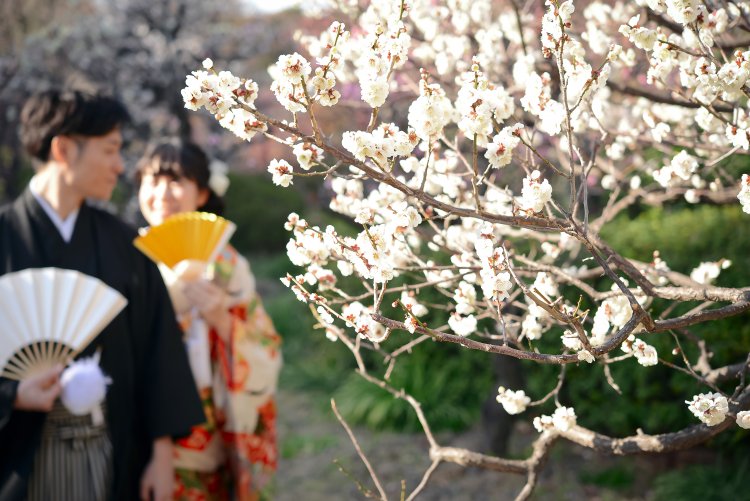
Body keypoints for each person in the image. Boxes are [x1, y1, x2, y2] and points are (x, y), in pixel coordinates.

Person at [0, 90, 205, 501]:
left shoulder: (126, 246)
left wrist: (161, 454)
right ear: (63, 149)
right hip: (17, 460)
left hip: (110, 452)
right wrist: (12, 394)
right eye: (110, 150)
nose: (119, 166)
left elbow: (157, 351)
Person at [136, 139, 282, 500]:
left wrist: (221, 318)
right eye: (152, 180)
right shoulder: (130, 259)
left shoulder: (227, 265)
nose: (162, 194)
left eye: (176, 181)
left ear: (201, 194)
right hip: (141, 430)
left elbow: (265, 348)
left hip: (208, 432)